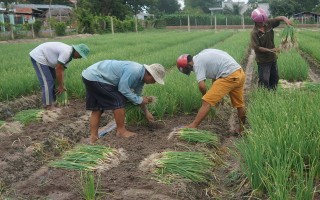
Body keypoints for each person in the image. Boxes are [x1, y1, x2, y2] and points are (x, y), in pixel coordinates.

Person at [82, 60, 165, 143]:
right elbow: (123, 89)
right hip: (96, 77)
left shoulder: (141, 79)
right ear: (149, 74)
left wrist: (146, 112)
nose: (154, 83)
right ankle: (121, 131)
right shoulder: (134, 71)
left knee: (97, 108)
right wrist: (139, 100)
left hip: (90, 76)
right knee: (118, 100)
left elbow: (138, 97)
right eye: (154, 80)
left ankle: (94, 137)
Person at [176, 49, 246, 134]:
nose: (190, 71)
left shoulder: (197, 64)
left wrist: (205, 96)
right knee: (239, 105)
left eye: (187, 69)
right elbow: (215, 73)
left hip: (229, 75)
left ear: (187, 66)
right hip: (239, 73)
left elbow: (202, 86)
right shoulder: (202, 54)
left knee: (206, 101)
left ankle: (193, 126)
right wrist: (217, 95)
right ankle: (242, 129)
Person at [30, 42, 90, 110]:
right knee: (47, 81)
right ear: (77, 51)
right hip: (39, 56)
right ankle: (48, 105)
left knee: (54, 80)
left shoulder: (69, 57)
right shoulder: (67, 52)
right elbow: (58, 69)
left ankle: (53, 101)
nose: (80, 57)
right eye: (81, 55)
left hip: (47, 60)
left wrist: (62, 84)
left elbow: (61, 70)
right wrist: (61, 86)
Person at [250, 8, 292, 90]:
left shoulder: (268, 23)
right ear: (255, 21)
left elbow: (279, 18)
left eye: (263, 21)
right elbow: (257, 48)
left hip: (272, 58)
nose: (262, 23)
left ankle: (272, 96)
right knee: (264, 81)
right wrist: (272, 50)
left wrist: (285, 19)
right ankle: (264, 97)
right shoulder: (254, 33)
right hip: (263, 61)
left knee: (275, 79)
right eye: (260, 22)